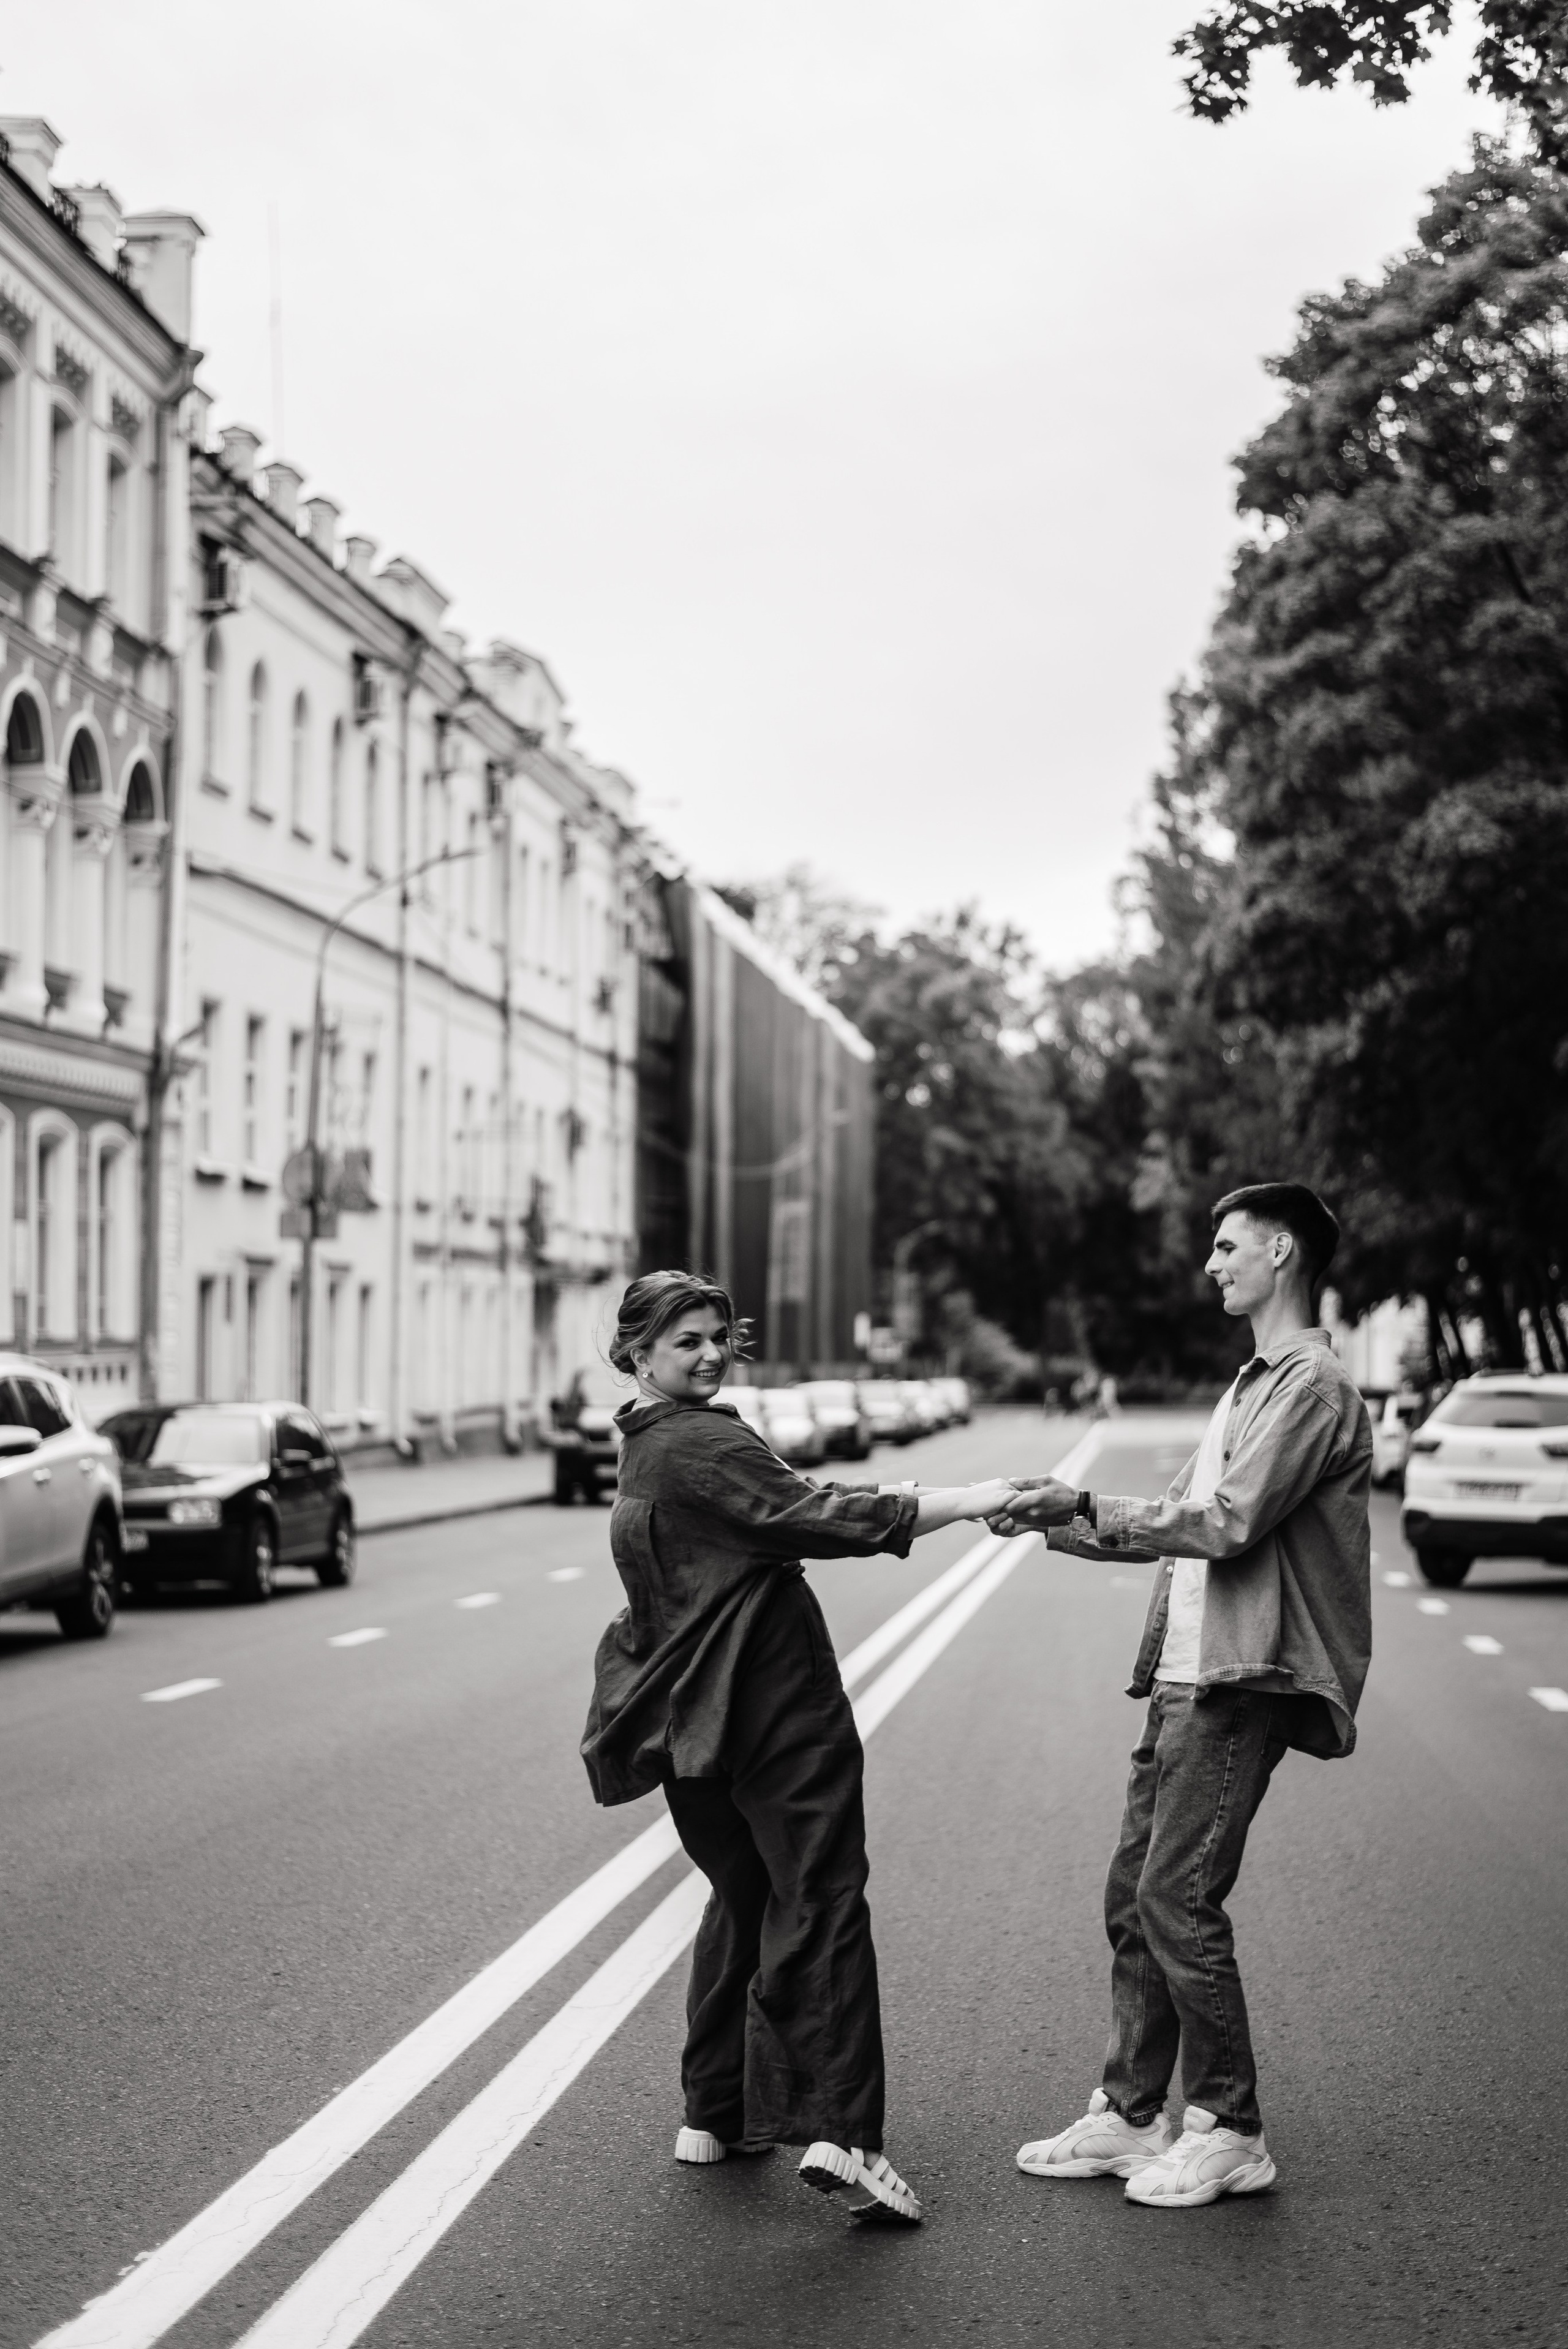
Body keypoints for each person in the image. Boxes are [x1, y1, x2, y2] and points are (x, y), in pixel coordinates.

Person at [581, 1270, 1018, 2226]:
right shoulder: (702, 1439)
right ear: (637, 1353)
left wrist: (901, 1494)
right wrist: (968, 1500)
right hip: (771, 1705)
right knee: (821, 1898)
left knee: (743, 1897)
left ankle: (716, 2111)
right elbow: (814, 1517)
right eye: (686, 1340)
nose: (709, 1354)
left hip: (692, 1719)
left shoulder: (646, 1443)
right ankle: (845, 2135)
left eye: (717, 1337)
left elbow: (778, 1509)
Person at [989, 1182, 1371, 2210]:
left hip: (1241, 1675)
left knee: (1179, 1897)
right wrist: (1054, 1522)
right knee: (1135, 1897)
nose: (1211, 1264)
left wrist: (1081, 1499)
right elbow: (1175, 1514)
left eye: (1227, 1245)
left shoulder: (1310, 1387)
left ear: (1281, 1252)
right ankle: (1129, 2112)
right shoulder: (1250, 1385)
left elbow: (1228, 1521)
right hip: (1185, 1671)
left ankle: (1230, 2128)